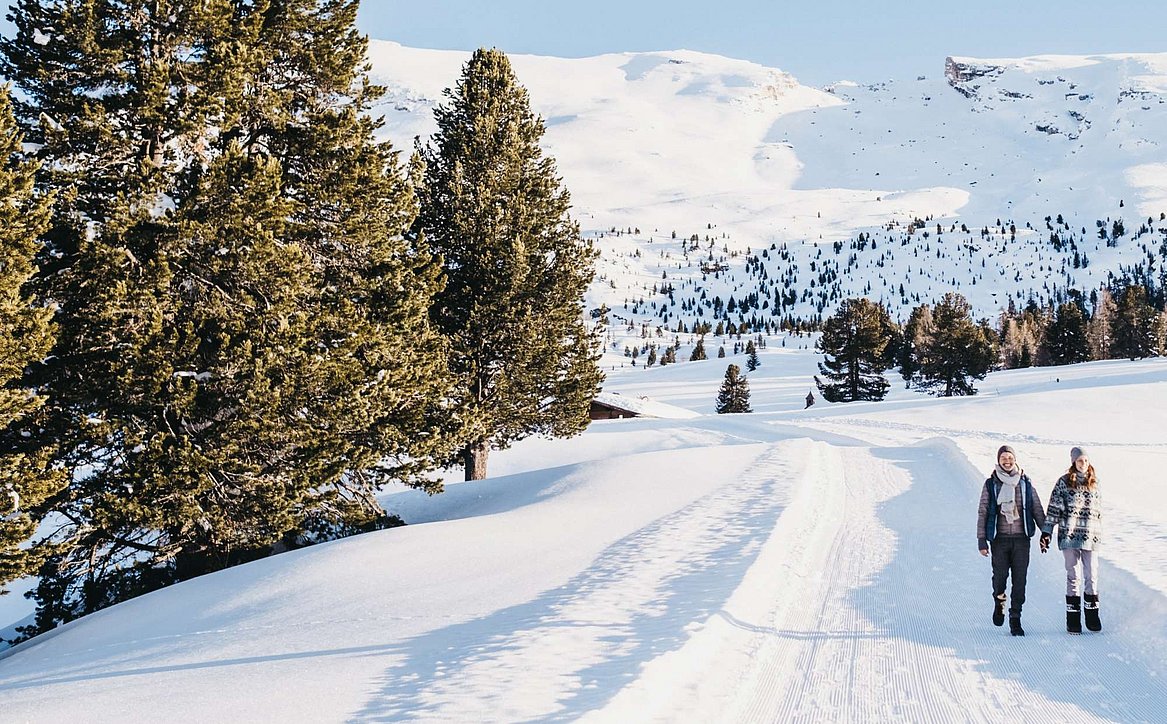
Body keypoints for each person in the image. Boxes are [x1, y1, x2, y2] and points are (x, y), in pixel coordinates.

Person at [977, 445, 1048, 636]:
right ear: (998, 460)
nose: (1007, 461)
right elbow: (983, 511)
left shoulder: (1025, 482)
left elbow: (1037, 508)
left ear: (1015, 459)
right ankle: (999, 601)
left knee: (1020, 581)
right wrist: (982, 540)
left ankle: (1015, 618)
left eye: (1010, 458)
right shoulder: (991, 483)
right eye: (1003, 458)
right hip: (999, 540)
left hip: (1021, 539)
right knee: (1000, 578)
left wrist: (1046, 532)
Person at [1042, 446, 1103, 634]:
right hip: (1069, 535)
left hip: (1090, 536)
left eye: (1085, 460)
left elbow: (1098, 512)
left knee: (1091, 575)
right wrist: (1047, 532)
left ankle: (1092, 616)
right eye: (1079, 461)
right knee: (1073, 577)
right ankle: (1073, 620)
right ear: (1073, 462)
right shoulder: (1064, 482)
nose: (1083, 463)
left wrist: (1098, 532)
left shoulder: (1095, 483)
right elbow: (1054, 508)